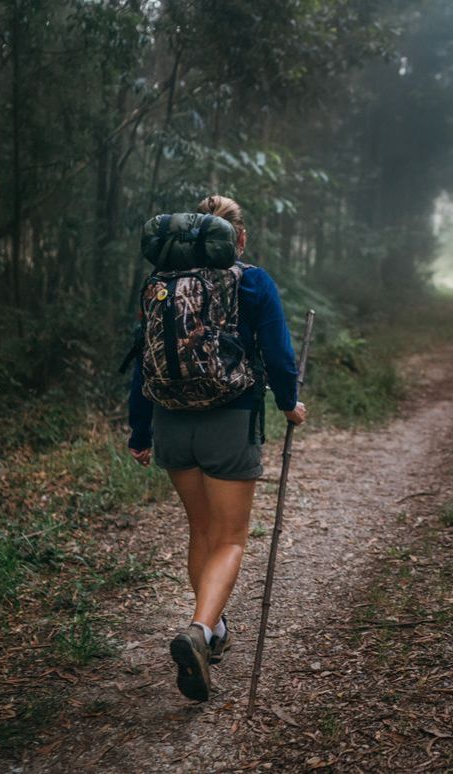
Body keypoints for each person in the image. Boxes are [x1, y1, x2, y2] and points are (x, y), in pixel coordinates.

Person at [126, 194, 307, 702]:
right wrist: (290, 403)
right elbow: (278, 353)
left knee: (201, 530)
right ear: (238, 238)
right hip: (229, 423)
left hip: (170, 424)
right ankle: (200, 632)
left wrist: (141, 432)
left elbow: (144, 363)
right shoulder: (251, 281)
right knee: (229, 539)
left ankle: (217, 629)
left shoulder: (160, 285)